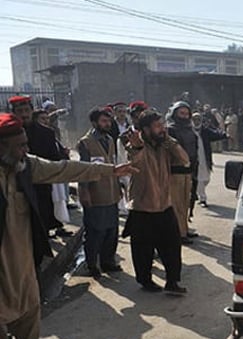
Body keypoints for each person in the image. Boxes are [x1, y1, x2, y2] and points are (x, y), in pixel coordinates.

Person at [0, 113, 136, 339]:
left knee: (29, 303)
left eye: (26, 143)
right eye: (19, 145)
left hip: (24, 253)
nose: (26, 149)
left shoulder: (26, 166)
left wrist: (111, 170)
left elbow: (64, 169)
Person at [122, 109, 189, 295]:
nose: (162, 129)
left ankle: (172, 282)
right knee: (143, 250)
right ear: (145, 129)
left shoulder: (165, 145)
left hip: (165, 206)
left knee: (172, 246)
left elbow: (184, 160)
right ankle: (145, 281)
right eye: (158, 126)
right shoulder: (136, 146)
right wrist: (137, 147)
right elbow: (136, 159)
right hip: (143, 207)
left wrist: (168, 140)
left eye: (163, 125)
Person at [9, 96, 72, 238]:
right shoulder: (7, 135)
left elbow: (55, 161)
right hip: (16, 189)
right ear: (14, 113)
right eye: (20, 111)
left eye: (26, 110)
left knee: (41, 226)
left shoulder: (47, 133)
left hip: (41, 187)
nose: (24, 114)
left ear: (31, 111)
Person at [77, 107, 123, 279]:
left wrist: (119, 187)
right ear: (95, 123)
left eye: (109, 121)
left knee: (112, 230)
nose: (107, 124)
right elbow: (83, 170)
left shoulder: (110, 140)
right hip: (95, 194)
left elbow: (113, 164)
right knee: (95, 231)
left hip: (111, 192)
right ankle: (92, 264)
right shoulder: (85, 143)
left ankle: (108, 261)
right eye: (104, 121)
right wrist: (84, 191)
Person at [166, 102, 196, 244]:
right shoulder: (170, 130)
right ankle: (180, 233)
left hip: (188, 172)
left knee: (186, 203)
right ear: (175, 114)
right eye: (181, 113)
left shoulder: (190, 130)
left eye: (186, 113)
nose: (184, 116)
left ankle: (184, 228)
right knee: (177, 204)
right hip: (175, 172)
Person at [192, 112, 228, 207]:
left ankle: (196, 190)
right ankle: (203, 198)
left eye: (198, 119)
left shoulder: (205, 131)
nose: (196, 121)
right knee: (200, 178)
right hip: (194, 159)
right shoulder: (189, 131)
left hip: (205, 157)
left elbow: (215, 134)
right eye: (194, 119)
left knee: (206, 179)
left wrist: (224, 134)